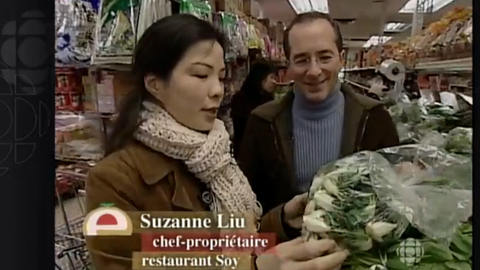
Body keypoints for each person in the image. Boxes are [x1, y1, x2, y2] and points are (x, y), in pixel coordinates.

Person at [85, 14, 348, 270]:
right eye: (201, 75)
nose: (218, 90)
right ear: (155, 83)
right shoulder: (114, 181)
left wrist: (281, 220)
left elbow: (234, 241)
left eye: (220, 77)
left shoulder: (214, 155)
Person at [238, 12, 399, 215]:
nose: (314, 71)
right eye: (302, 60)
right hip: (282, 244)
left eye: (324, 57)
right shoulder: (262, 123)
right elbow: (245, 207)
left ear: (341, 59)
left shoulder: (375, 119)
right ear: (288, 66)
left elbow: (395, 201)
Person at [231, 59, 277, 157]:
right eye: (271, 77)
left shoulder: (268, 98)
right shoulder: (241, 100)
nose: (274, 82)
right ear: (261, 77)